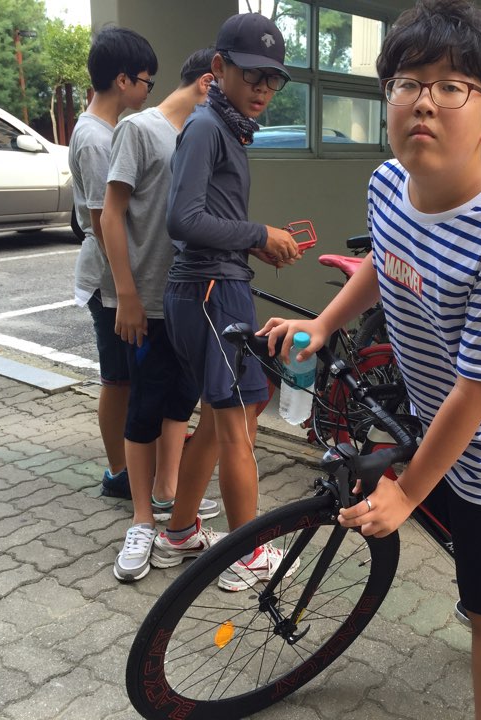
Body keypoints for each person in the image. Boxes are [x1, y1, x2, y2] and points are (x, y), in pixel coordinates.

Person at [260, 1, 481, 718]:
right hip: (432, 415)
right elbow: (384, 261)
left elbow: (477, 395)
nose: (424, 101)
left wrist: (408, 490)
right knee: (452, 538)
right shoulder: (389, 182)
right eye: (407, 83)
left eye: (452, 86)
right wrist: (324, 324)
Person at [151, 13, 302, 584]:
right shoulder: (208, 127)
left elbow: (206, 218)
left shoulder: (223, 128)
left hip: (213, 287)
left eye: (273, 79)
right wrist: (258, 233)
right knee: (237, 424)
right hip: (212, 292)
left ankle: (179, 533)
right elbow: (182, 220)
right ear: (219, 68)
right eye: (252, 74)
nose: (263, 88)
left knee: (217, 423)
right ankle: (249, 556)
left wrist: (253, 245)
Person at [101, 49, 224, 582]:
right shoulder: (140, 130)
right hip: (147, 301)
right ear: (207, 82)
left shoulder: (202, 135)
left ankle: (169, 494)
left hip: (192, 299)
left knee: (181, 401)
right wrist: (126, 294)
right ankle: (142, 519)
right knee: (144, 408)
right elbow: (110, 215)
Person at [70, 26, 157, 500]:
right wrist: (126, 293)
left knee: (126, 378)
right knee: (118, 380)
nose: (149, 90)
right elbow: (104, 221)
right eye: (146, 80)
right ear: (122, 80)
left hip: (115, 282)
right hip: (108, 284)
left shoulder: (106, 131)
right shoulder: (95, 139)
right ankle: (119, 473)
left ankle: (128, 468)